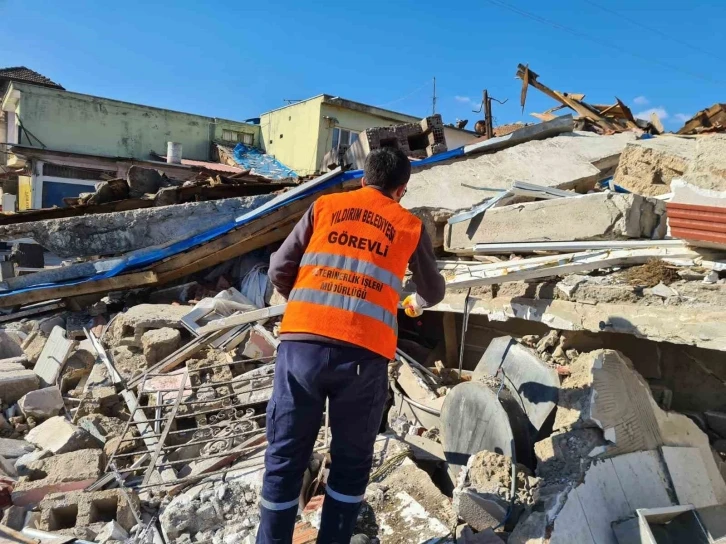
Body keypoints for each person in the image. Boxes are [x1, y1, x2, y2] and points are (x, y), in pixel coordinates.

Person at [257, 146, 446, 543]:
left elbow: (278, 268)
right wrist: (411, 304)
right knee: (350, 461)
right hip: (363, 356)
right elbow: (433, 291)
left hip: (301, 347)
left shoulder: (325, 206)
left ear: (363, 179)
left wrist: (308, 301)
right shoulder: (408, 225)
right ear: (402, 190)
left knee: (285, 456)